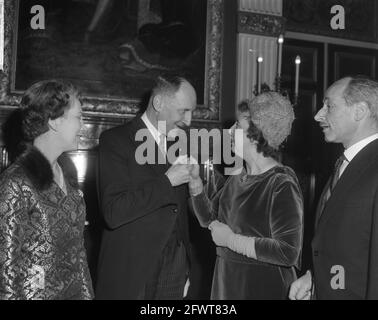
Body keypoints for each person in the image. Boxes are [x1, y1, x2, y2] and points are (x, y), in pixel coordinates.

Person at [189, 93, 304, 299]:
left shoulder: (281, 182)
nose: (230, 131)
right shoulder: (238, 177)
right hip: (227, 281)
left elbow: (288, 252)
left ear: (255, 134)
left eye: (238, 127)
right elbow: (210, 221)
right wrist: (196, 186)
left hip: (260, 286)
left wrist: (231, 240)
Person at [95, 74, 196, 299]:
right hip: (134, 271)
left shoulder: (178, 144)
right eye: (183, 111)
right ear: (158, 103)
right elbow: (114, 212)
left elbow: (178, 212)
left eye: (191, 112)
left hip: (174, 270)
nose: (188, 121)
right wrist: (168, 180)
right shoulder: (116, 140)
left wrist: (185, 266)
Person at [0, 80, 93, 300]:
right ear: (54, 121)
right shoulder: (16, 182)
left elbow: (79, 257)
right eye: (78, 117)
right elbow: (6, 272)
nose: (82, 125)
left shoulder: (67, 176)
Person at [290, 76, 378, 300]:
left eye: (329, 106)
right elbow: (348, 246)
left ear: (359, 111)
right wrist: (316, 278)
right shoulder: (346, 164)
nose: (318, 115)